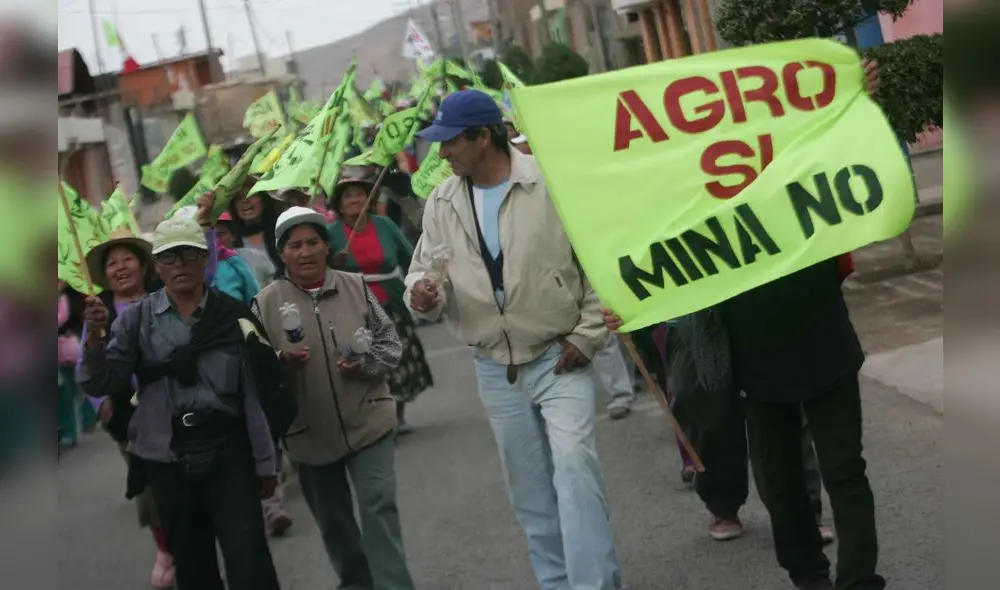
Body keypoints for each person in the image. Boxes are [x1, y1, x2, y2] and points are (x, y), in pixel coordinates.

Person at [406, 89, 624, 590]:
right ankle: (557, 582)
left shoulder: (550, 183)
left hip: (560, 355)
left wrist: (587, 335)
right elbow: (426, 271)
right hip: (493, 367)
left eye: (451, 141)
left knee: (576, 473)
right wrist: (421, 294)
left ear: (484, 137)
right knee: (530, 492)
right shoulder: (442, 200)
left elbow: (597, 262)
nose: (442, 152)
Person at [78, 215, 281, 590]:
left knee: (249, 561)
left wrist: (266, 462)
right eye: (169, 257)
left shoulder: (232, 315)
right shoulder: (136, 321)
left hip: (229, 451)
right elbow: (102, 380)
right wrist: (93, 340)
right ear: (157, 266)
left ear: (205, 258)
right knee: (193, 568)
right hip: (168, 458)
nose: (180, 265)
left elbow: (253, 395)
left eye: (188, 254)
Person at [251, 206, 416, 589]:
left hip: (369, 420)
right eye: (294, 245)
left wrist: (365, 365)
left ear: (327, 246)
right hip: (308, 432)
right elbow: (254, 369)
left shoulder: (355, 286)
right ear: (281, 253)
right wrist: (281, 361)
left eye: (313, 242)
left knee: (378, 506)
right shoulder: (264, 304)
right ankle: (357, 583)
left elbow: (390, 345)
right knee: (334, 521)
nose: (305, 252)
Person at [327, 179, 434, 434]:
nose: (355, 200)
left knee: (397, 358)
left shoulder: (384, 225)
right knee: (366, 361)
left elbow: (410, 258)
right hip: (353, 305)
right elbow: (321, 269)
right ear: (339, 206)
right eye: (348, 196)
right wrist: (333, 263)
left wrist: (420, 284)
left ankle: (398, 415)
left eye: (360, 195)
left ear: (369, 200)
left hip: (390, 302)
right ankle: (375, 417)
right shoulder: (330, 233)